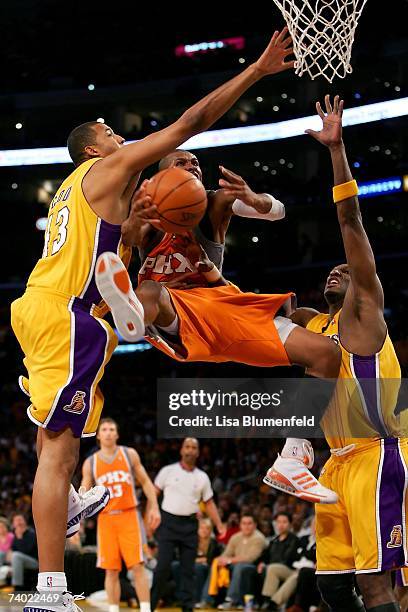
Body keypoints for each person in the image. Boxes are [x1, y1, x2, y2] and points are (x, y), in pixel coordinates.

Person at [10, 27, 295, 612]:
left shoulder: (72, 191)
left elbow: (114, 240)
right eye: (112, 134)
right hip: (70, 315)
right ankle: (54, 591)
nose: (122, 137)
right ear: (95, 149)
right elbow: (188, 124)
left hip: (40, 309)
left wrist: (135, 226)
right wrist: (257, 71)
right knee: (60, 448)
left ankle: (67, 501)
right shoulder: (109, 169)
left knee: (52, 441)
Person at [266, 96, 405, 611]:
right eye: (331, 272)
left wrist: (337, 149)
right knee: (329, 584)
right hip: (334, 466)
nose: (336, 272)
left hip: (377, 455)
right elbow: (260, 314)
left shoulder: (365, 311)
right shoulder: (313, 324)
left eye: (343, 272)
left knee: (376, 585)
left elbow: (349, 223)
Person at [81, 418, 160, 612]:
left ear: (117, 434)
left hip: (129, 516)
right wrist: (79, 519)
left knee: (138, 566)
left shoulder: (128, 454)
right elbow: (84, 490)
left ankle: (145, 609)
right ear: (98, 435)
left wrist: (154, 506)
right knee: (111, 569)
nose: (108, 432)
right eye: (104, 429)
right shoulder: (91, 462)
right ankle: (113, 609)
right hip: (106, 518)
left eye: (112, 429)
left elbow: (146, 482)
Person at [152, 437, 225, 612]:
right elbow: (153, 494)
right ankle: (150, 605)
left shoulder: (202, 477)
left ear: (198, 453)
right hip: (168, 522)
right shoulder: (167, 471)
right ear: (181, 450)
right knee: (162, 567)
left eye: (194, 447)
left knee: (188, 570)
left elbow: (209, 503)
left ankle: (187, 607)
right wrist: (151, 515)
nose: (190, 450)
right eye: (187, 447)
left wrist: (220, 525)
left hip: (190, 525)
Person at [213, 513, 267, 610]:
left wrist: (229, 560)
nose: (246, 526)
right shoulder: (236, 537)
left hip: (253, 567)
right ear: (240, 525)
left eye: (249, 523)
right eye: (244, 523)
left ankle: (231, 599)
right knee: (216, 562)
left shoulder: (259, 538)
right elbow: (226, 553)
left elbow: (250, 558)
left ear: (255, 525)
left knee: (240, 566)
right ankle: (208, 599)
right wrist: (221, 559)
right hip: (236, 564)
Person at [258, 512, 299, 611]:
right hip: (274, 568)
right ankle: (270, 602)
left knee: (272, 568)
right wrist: (262, 563)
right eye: (279, 522)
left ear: (290, 524)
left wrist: (270, 564)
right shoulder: (274, 540)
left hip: (288, 569)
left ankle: (269, 601)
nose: (281, 525)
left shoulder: (294, 539)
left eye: (284, 522)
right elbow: (265, 555)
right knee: (270, 568)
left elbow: (289, 559)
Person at [10, 514, 38, 591]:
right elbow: (13, 549)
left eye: (20, 520)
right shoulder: (15, 534)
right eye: (16, 520)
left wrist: (19, 537)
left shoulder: (31, 533)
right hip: (20, 561)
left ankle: (17, 587)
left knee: (16, 556)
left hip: (34, 562)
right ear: (13, 524)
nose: (19, 523)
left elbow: (26, 551)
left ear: (24, 522)